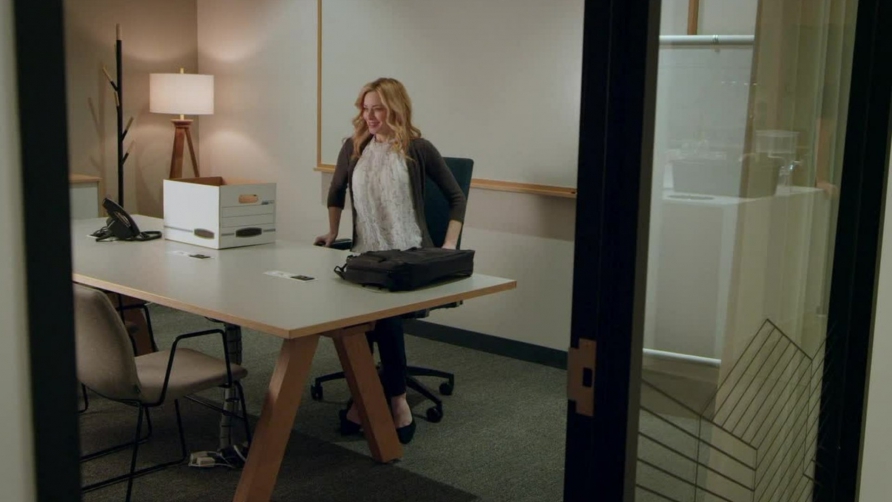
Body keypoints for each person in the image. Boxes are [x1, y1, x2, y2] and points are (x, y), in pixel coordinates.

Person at [315, 77, 467, 444]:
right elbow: (336, 191)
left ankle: (395, 400)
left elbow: (456, 197)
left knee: (382, 315)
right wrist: (333, 232)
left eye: (378, 109)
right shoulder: (354, 147)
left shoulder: (418, 149)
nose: (369, 116)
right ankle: (366, 396)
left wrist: (448, 246)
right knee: (358, 320)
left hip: (408, 257)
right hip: (365, 255)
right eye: (365, 109)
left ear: (395, 109)